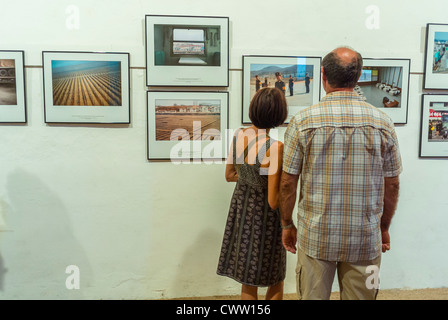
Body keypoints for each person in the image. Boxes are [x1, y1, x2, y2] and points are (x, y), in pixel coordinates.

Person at [279, 47, 402, 300]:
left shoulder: (302, 121)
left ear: (323, 75)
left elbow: (287, 183)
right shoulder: (383, 123)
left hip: (316, 236)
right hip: (365, 238)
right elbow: (393, 185)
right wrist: (384, 227)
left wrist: (287, 224)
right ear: (357, 77)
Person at [217, 87, 288, 300]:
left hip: (242, 211)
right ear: (279, 114)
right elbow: (273, 200)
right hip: (265, 218)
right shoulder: (275, 147)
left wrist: (251, 179)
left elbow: (230, 175)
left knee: (248, 278)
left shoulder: (240, 135)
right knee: (275, 277)